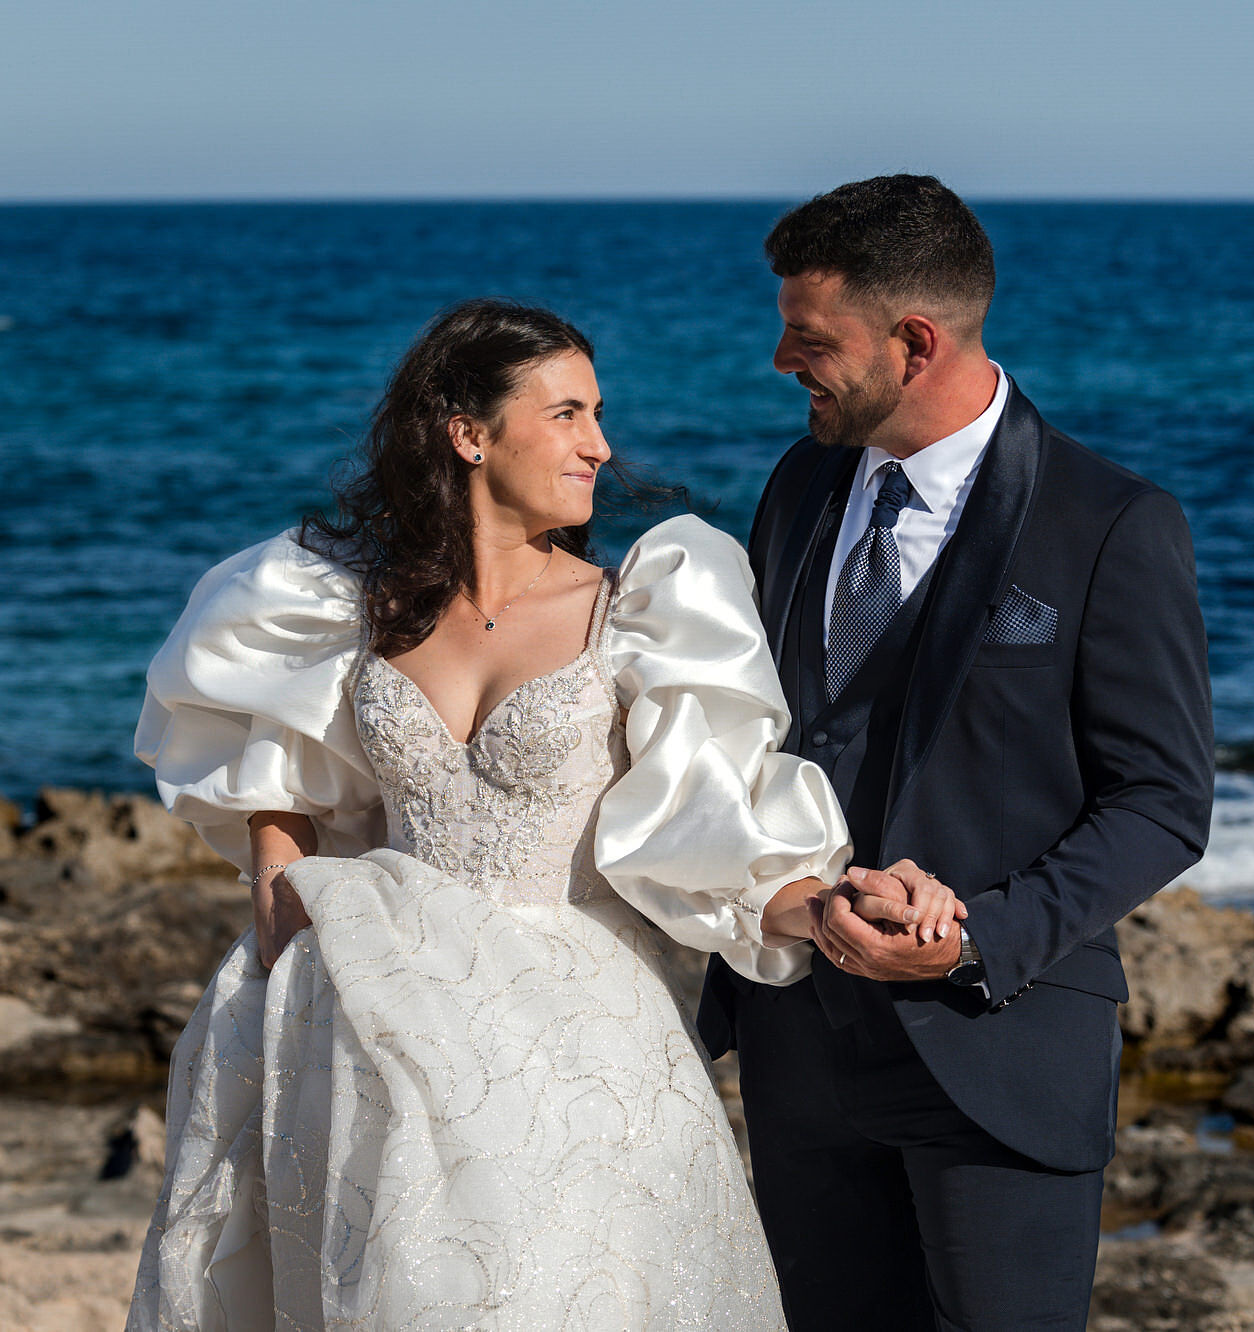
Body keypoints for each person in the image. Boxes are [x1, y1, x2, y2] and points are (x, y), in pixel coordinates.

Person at [123, 299, 963, 1330]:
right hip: (370, 1026)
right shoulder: (348, 607)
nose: (600, 447)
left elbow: (711, 831)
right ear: (468, 434)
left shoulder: (640, 607)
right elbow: (278, 767)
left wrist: (832, 903)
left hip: (569, 1047)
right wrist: (276, 882)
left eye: (598, 414)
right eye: (566, 414)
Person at [697, 176, 1215, 1330]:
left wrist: (975, 939)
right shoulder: (796, 488)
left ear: (914, 341)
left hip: (997, 1051)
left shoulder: (1110, 524)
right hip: (797, 1051)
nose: (782, 359)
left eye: (809, 336)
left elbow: (1162, 802)